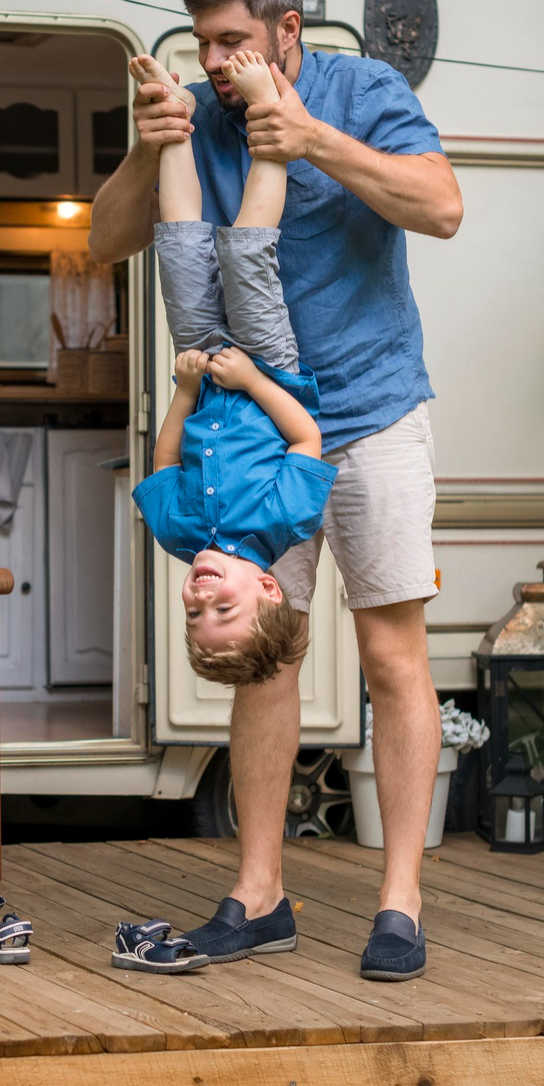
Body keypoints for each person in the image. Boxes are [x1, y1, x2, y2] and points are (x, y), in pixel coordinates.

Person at [89, 0, 463, 982]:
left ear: (285, 30)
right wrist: (142, 146)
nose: (212, 62)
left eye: (230, 41)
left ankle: (398, 901)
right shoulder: (199, 115)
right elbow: (103, 241)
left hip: (372, 410)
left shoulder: (362, 87)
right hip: (256, 435)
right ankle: (259, 895)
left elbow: (438, 208)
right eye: (203, 43)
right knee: (269, 660)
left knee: (391, 658)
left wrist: (308, 139)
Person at [133, 46, 336, 693]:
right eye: (224, 608)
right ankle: (266, 112)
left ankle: (173, 115)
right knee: (249, 251)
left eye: (195, 614)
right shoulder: (287, 520)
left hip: (203, 364)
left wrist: (187, 388)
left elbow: (164, 464)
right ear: (268, 586)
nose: (202, 599)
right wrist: (254, 380)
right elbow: (306, 436)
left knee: (180, 246)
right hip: (266, 365)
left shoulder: (176, 532)